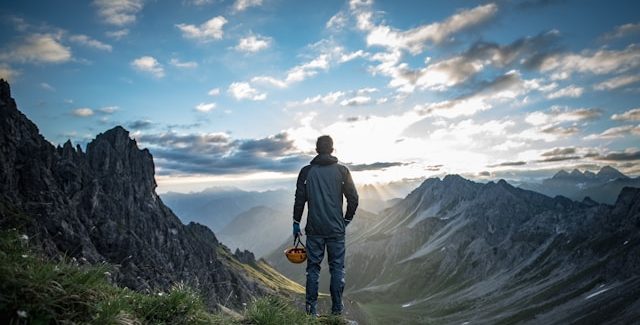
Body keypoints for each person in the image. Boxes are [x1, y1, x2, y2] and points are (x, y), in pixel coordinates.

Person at [292, 135, 359, 316]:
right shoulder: (342, 171)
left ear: (316, 150)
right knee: (337, 268)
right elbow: (353, 199)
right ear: (332, 149)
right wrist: (346, 220)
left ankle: (311, 311)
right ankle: (337, 310)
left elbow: (300, 200)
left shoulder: (306, 172)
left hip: (314, 229)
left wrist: (296, 223)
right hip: (336, 229)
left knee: (313, 268)